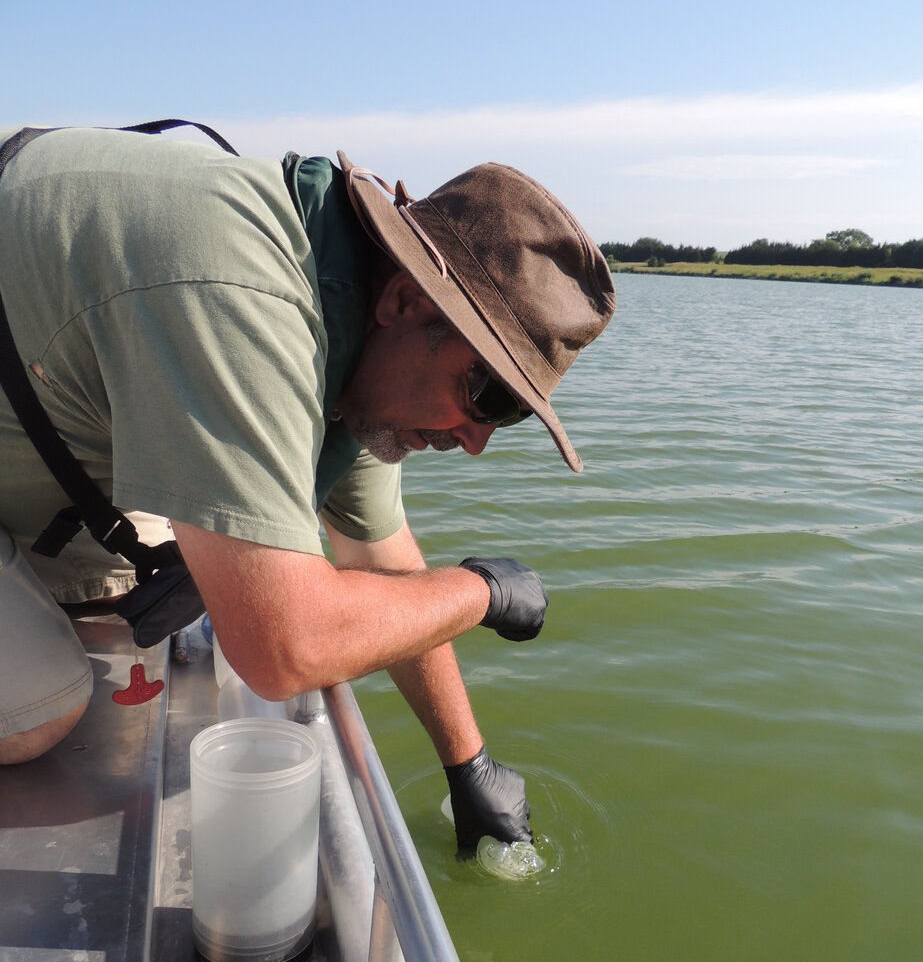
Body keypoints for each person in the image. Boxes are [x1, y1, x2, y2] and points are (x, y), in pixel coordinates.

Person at [0, 124, 615, 849]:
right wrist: (480, 591)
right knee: (39, 707)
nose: (477, 440)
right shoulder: (241, 296)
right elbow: (282, 649)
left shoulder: (348, 331)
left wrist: (468, 763)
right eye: (485, 392)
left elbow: (386, 564)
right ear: (405, 301)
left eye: (510, 415)